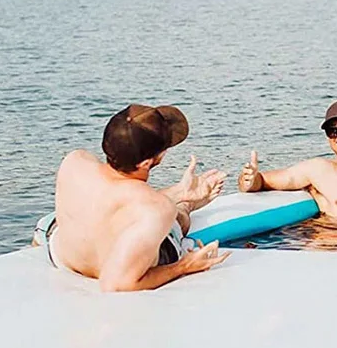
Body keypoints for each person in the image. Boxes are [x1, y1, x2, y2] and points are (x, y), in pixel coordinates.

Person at [35, 104, 229, 292]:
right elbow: (115, 284)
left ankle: (181, 194)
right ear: (146, 163)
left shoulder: (75, 161)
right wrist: (184, 266)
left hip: (63, 257)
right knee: (177, 218)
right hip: (117, 270)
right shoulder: (158, 209)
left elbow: (115, 195)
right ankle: (187, 205)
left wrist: (178, 191)